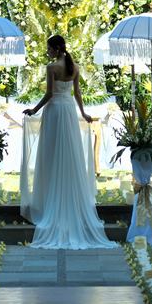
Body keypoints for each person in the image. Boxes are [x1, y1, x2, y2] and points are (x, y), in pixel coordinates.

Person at [22, 35, 116, 249]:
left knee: (51, 155)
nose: (47, 52)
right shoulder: (75, 67)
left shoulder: (51, 68)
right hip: (69, 112)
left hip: (55, 111)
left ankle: (50, 206)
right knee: (70, 157)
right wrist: (83, 114)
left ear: (56, 48)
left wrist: (34, 110)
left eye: (49, 48)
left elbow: (48, 95)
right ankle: (66, 203)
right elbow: (77, 94)